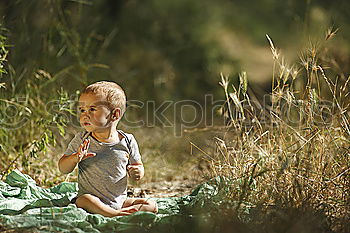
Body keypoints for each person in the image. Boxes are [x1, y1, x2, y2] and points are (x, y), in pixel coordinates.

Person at [58, 81, 157, 217]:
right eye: (82, 110)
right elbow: (63, 168)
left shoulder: (127, 141)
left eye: (92, 109)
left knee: (151, 204)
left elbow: (138, 165)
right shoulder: (82, 139)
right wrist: (75, 158)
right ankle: (114, 214)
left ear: (114, 115)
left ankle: (118, 211)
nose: (84, 115)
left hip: (119, 200)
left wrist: (137, 172)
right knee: (83, 200)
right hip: (92, 201)